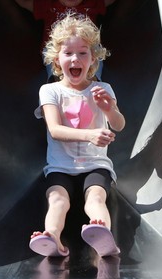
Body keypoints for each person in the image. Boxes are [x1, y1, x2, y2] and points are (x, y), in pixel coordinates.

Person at [29, 13, 125, 258]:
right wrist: (90, 134)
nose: (75, 58)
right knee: (58, 200)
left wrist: (109, 109)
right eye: (68, 53)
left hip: (95, 164)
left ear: (93, 58)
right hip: (60, 166)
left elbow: (119, 124)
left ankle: (103, 235)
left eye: (83, 53)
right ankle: (52, 237)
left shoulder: (102, 89)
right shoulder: (50, 90)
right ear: (57, 59)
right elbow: (55, 130)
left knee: (95, 199)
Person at [15, 0, 116, 81]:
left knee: (95, 49)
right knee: (51, 53)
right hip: (58, 48)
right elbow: (24, 2)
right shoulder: (48, 4)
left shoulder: (92, 3)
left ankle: (93, 81)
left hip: (86, 46)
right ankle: (58, 81)